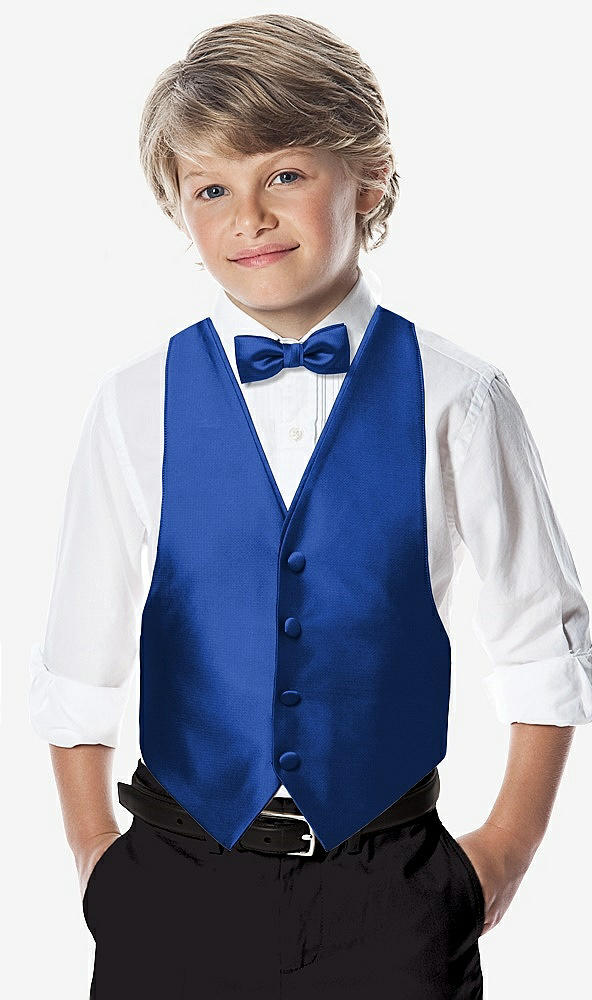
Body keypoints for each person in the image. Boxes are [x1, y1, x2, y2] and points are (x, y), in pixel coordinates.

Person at [29, 13, 592, 999]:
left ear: (367, 179)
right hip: (173, 880)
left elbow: (544, 646)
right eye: (211, 188)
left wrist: (499, 853)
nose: (248, 216)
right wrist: (93, 856)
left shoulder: (459, 397)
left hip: (390, 889)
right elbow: (80, 654)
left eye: (283, 174)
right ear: (179, 209)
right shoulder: (134, 402)